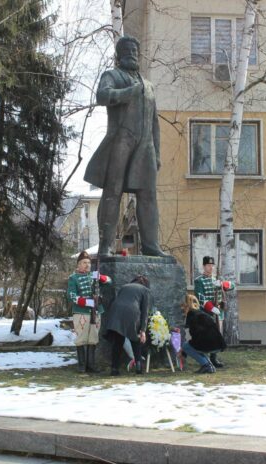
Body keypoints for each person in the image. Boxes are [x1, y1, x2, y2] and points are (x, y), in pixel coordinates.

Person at [83, 36, 166, 257]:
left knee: (148, 194)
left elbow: (155, 123)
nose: (132, 54)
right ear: (119, 55)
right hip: (121, 140)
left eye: (135, 50)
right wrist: (127, 94)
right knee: (113, 192)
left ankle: (151, 245)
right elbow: (102, 96)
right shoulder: (112, 76)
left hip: (145, 145)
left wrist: (157, 153)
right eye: (127, 50)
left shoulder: (148, 86)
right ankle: (106, 246)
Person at [67, 251, 111, 373]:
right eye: (84, 263)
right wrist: (87, 302)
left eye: (89, 263)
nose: (87, 265)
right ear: (78, 265)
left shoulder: (93, 276)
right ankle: (82, 366)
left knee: (93, 337)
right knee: (81, 338)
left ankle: (91, 365)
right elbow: (71, 296)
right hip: (81, 312)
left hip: (96, 312)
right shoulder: (73, 278)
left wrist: (100, 277)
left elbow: (109, 281)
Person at [105, 275, 151, 376]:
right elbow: (145, 311)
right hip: (132, 312)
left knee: (118, 342)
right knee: (135, 340)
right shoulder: (145, 290)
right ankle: (139, 368)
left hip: (116, 312)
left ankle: (114, 369)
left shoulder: (124, 286)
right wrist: (143, 330)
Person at [194, 256, 234, 368]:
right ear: (204, 266)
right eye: (208, 265)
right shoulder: (199, 280)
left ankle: (214, 358)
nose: (210, 268)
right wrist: (212, 308)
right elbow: (201, 298)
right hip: (206, 313)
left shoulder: (217, 280)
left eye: (212, 265)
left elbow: (233, 285)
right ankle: (205, 359)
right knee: (207, 336)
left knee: (217, 335)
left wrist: (222, 284)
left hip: (219, 314)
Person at [180, 294, 226, 374]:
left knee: (186, 346)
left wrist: (183, 352)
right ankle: (210, 366)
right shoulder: (202, 313)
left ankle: (206, 365)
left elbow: (193, 336)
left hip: (208, 344)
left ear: (186, 305)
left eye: (182, 306)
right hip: (218, 344)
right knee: (197, 346)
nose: (182, 308)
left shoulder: (191, 315)